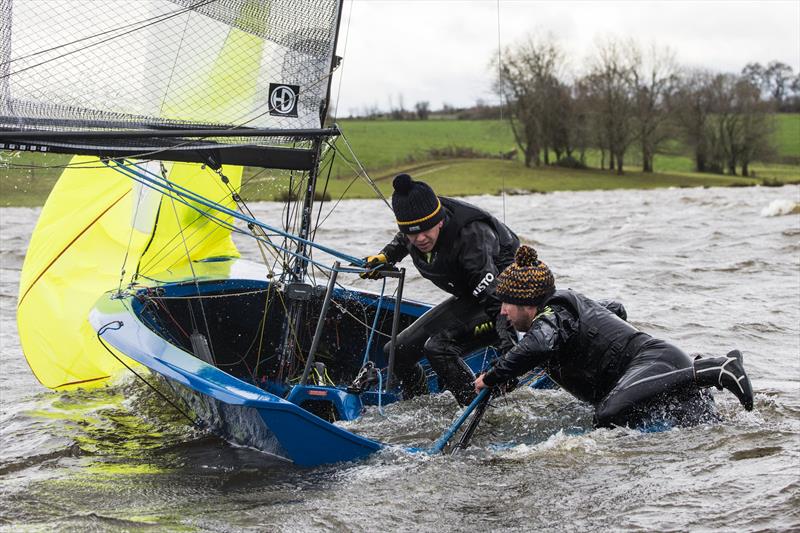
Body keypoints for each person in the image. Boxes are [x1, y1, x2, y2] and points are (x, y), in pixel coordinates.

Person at [474, 245, 754, 428]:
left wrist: (491, 377)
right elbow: (614, 309)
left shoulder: (552, 318)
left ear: (527, 303)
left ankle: (711, 370)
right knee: (711, 431)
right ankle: (694, 377)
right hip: (651, 380)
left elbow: (538, 345)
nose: (502, 311)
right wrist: (508, 381)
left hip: (656, 364)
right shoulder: (559, 316)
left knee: (606, 415)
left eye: (506, 303)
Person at [362, 173, 520, 406]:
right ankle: (419, 406)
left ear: (440, 221)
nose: (421, 239)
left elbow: (497, 303)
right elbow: (404, 237)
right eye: (412, 233)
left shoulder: (471, 238)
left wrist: (510, 357)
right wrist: (387, 256)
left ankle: (476, 407)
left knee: (438, 347)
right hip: (472, 296)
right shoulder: (415, 227)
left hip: (508, 300)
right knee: (397, 351)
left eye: (426, 230)